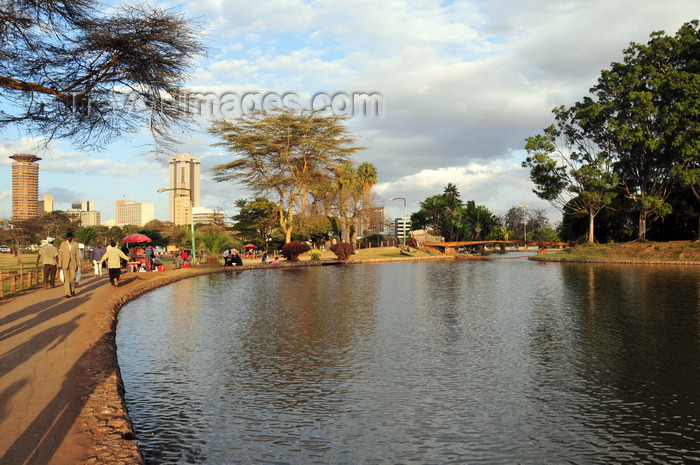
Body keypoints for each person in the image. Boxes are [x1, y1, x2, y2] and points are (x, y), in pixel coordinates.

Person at [57, 231, 81, 298]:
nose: (69, 238)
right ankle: (67, 293)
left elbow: (77, 255)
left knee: (72, 278)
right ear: (66, 238)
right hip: (65, 263)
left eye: (70, 237)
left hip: (73, 263)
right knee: (66, 279)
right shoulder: (63, 244)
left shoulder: (75, 244)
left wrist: (78, 264)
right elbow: (60, 254)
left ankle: (72, 290)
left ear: (72, 237)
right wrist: (59, 264)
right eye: (68, 237)